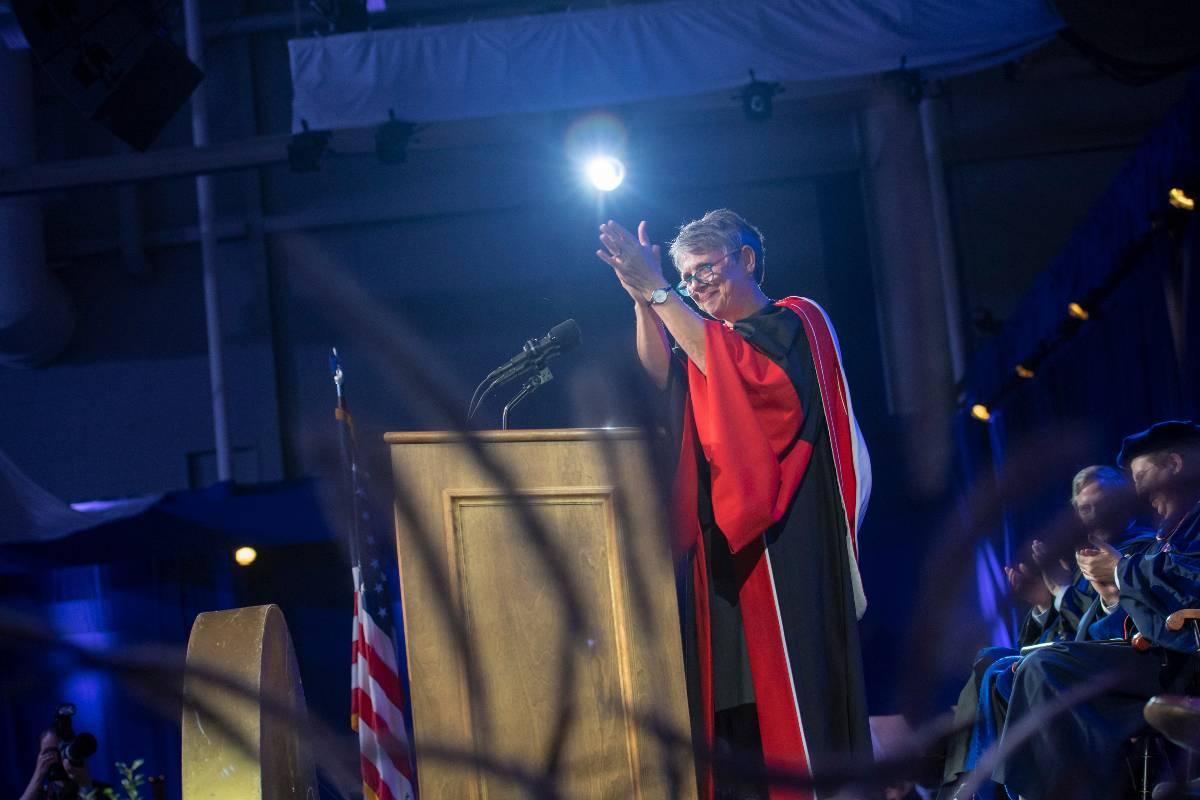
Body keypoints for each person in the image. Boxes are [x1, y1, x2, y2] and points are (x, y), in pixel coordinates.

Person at [596, 209, 872, 800]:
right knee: (734, 722)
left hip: (784, 543)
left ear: (746, 259)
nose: (698, 288)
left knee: (792, 714)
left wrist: (662, 291)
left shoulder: (796, 321)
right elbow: (658, 378)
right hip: (720, 553)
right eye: (688, 279)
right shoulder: (707, 344)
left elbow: (756, 384)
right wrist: (644, 300)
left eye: (706, 271)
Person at [993, 421, 1200, 800]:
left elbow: (1191, 580)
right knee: (1028, 667)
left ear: (1173, 464)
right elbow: (1134, 607)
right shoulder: (1169, 533)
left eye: (1141, 477)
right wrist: (1109, 590)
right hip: (1156, 654)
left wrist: (1119, 573)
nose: (1138, 492)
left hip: (1184, 659)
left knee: (1046, 669)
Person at [935, 465, 1155, 799]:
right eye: (1085, 509)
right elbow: (1062, 634)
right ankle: (970, 781)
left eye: (1103, 503)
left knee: (1005, 672)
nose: (1094, 515)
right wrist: (1043, 603)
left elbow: (1113, 628)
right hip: (1075, 657)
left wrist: (1062, 592)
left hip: (1123, 665)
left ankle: (1003, 789)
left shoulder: (1141, 552)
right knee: (992, 660)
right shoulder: (1085, 558)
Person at [19, 728, 108, 800]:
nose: (59, 758)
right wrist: (38, 776)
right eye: (51, 752)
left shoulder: (105, 792)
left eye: (64, 750)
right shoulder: (38, 795)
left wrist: (85, 786)